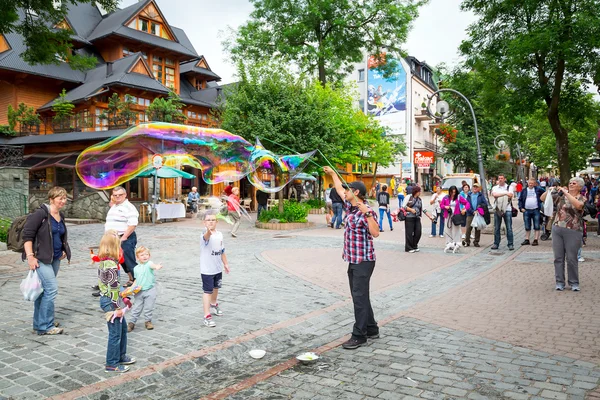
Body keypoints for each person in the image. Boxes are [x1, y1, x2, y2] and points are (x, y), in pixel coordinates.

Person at [323, 166, 380, 350]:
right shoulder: (350, 206)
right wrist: (332, 173)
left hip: (364, 261)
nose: (345, 192)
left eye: (349, 189)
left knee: (358, 297)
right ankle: (371, 328)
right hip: (353, 260)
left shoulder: (365, 210)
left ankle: (359, 335)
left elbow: (376, 233)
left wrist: (367, 213)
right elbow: (339, 190)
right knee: (362, 295)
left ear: (356, 192)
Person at [23, 186, 71, 335]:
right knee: (51, 289)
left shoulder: (60, 215)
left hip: (55, 258)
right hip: (40, 259)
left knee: (43, 291)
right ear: (51, 199)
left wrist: (63, 250)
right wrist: (30, 257)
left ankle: (39, 323)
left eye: (64, 198)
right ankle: (46, 326)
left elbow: (59, 236)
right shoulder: (40, 214)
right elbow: (27, 237)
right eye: (60, 198)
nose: (63, 201)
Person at [97, 230, 136, 373]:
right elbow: (112, 288)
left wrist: (124, 296)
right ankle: (111, 363)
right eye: (119, 246)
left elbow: (112, 285)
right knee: (115, 334)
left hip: (112, 299)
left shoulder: (106, 262)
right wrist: (118, 307)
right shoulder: (111, 265)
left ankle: (120, 355)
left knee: (122, 329)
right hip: (111, 302)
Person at [541, 177, 585, 291]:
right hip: (557, 228)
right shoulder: (560, 197)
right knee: (558, 258)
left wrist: (566, 192)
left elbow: (578, 206)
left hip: (573, 230)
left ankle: (574, 282)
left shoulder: (581, 197)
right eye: (569, 182)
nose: (570, 184)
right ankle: (559, 282)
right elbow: (542, 198)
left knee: (571, 258)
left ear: (579, 187)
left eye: (574, 183)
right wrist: (549, 190)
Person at [200, 212, 230, 327]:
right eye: (208, 220)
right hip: (207, 270)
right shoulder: (204, 234)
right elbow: (206, 236)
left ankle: (213, 304)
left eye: (213, 220)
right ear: (204, 223)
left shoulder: (220, 234)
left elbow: (222, 250)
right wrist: (208, 230)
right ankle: (207, 316)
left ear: (217, 222)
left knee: (216, 288)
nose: (211, 222)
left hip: (217, 268)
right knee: (208, 292)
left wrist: (226, 264)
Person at [105, 186, 139, 286]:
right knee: (115, 261)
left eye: (120, 195)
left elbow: (132, 224)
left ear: (125, 195)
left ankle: (139, 281)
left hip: (124, 237)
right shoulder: (114, 205)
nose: (117, 197)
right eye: (115, 195)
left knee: (129, 260)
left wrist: (124, 237)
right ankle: (110, 282)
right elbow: (111, 202)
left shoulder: (129, 207)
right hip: (112, 239)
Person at [127, 246, 164, 332]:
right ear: (137, 257)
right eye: (142, 255)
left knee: (149, 307)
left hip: (150, 290)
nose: (144, 256)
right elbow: (136, 280)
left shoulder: (149, 264)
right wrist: (131, 288)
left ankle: (148, 321)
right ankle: (132, 322)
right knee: (136, 307)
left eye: (146, 254)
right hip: (139, 291)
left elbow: (153, 266)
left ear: (149, 256)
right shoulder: (136, 268)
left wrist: (157, 267)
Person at [404, 186, 434, 253]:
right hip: (409, 217)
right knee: (409, 233)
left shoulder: (419, 199)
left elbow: (423, 209)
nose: (420, 192)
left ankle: (414, 245)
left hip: (417, 217)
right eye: (419, 191)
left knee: (418, 232)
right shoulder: (409, 197)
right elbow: (403, 206)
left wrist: (429, 216)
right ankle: (409, 247)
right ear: (416, 192)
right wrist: (411, 210)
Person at [519, 178, 545, 246]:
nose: (530, 184)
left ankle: (536, 239)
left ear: (534, 184)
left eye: (532, 183)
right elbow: (520, 199)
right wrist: (521, 208)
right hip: (526, 210)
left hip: (536, 209)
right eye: (529, 183)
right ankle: (527, 239)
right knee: (527, 225)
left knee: (537, 225)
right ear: (527, 183)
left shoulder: (538, 189)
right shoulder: (524, 190)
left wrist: (541, 200)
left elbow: (545, 193)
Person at [491, 174, 514, 250]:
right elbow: (494, 195)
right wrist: (505, 193)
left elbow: (510, 195)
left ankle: (510, 244)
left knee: (509, 228)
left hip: (507, 209)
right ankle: (496, 243)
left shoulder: (509, 187)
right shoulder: (495, 187)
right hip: (498, 209)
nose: (500, 179)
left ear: (505, 179)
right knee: (497, 227)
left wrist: (502, 194)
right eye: (499, 178)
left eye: (502, 178)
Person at [464, 183, 488, 247]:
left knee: (477, 228)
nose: (475, 188)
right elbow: (467, 205)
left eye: (476, 187)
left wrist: (478, 209)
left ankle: (476, 241)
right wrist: (472, 211)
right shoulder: (469, 195)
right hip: (470, 214)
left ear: (479, 188)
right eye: (474, 186)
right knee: (468, 228)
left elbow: (485, 204)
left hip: (478, 214)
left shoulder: (481, 195)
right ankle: (467, 241)